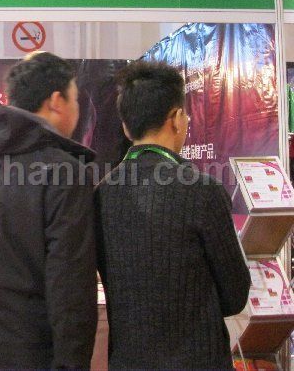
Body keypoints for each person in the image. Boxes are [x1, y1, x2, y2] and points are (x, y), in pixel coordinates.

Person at [94, 61, 251, 369]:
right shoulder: (203, 191)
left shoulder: (101, 195)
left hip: (129, 362)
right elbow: (235, 295)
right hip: (198, 361)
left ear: (126, 126)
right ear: (177, 119)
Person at [0, 52, 98, 369]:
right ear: (56, 101)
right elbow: (70, 287)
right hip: (36, 354)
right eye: (75, 100)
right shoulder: (64, 170)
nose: (77, 110)